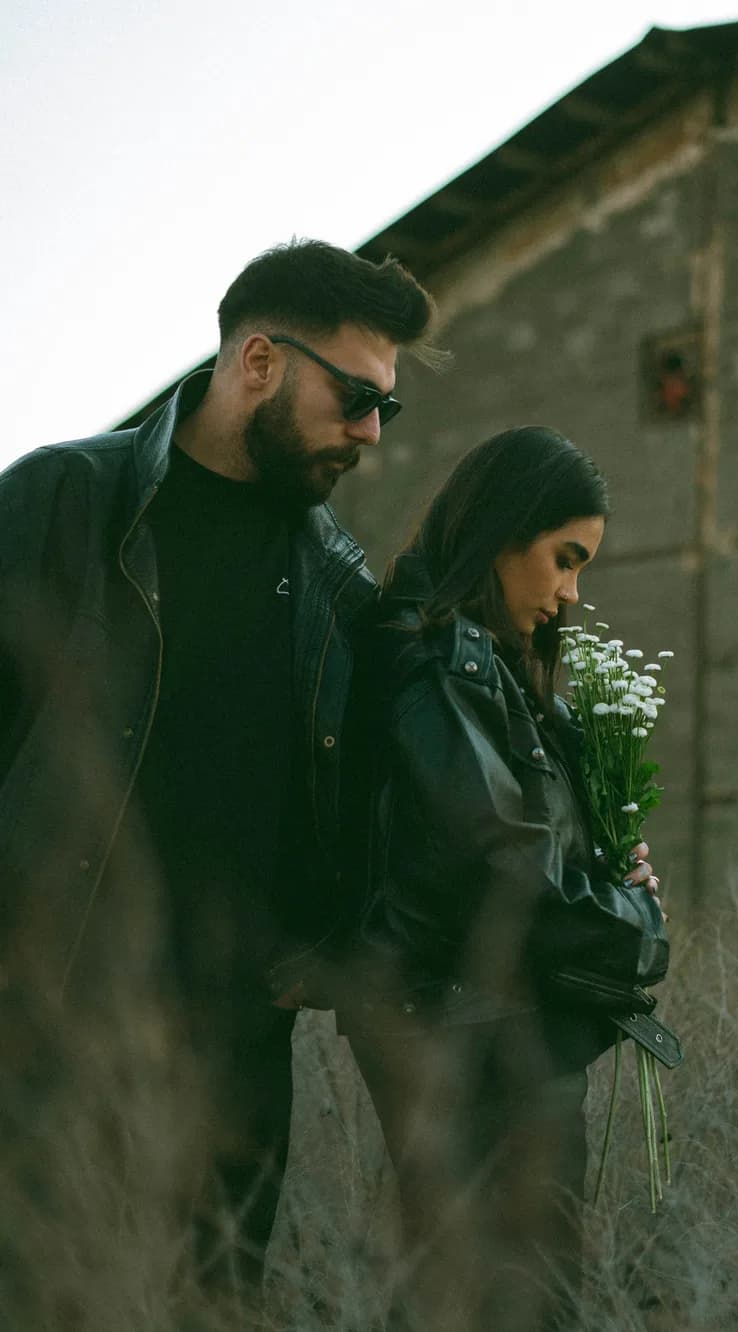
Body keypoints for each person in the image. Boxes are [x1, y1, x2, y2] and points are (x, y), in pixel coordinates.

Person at [0, 239, 436, 1310]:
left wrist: (597, 858)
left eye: (390, 408)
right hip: (47, 1030)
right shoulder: (64, 499)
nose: (372, 432)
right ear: (257, 362)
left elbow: (390, 795)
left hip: (235, 1059)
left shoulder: (338, 584)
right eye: (354, 395)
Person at [339, 426, 670, 1332]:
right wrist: (636, 927)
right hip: (471, 1041)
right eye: (564, 560)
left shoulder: (488, 670)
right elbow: (504, 870)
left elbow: (519, 845)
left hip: (488, 1034)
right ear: (500, 531)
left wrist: (609, 866)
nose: (571, 595)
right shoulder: (443, 664)